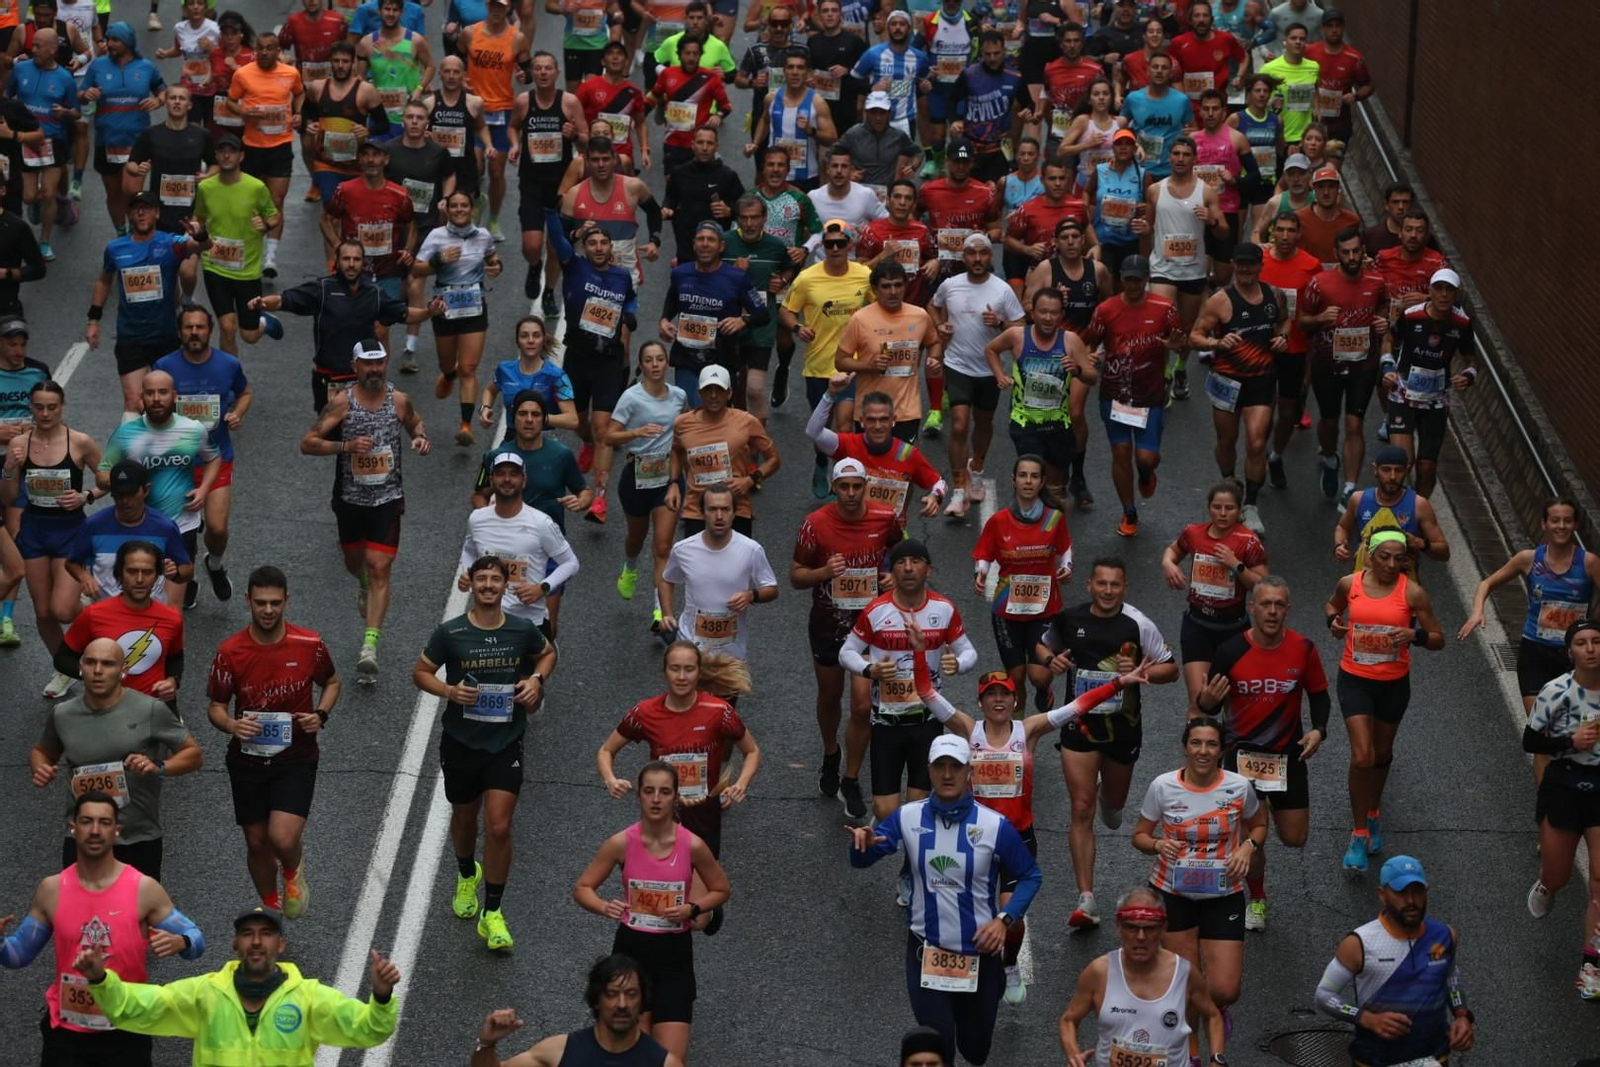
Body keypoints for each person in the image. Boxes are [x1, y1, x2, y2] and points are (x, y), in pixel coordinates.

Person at [915, 639, 1149, 1005]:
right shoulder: (967, 729)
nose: (997, 701)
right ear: (980, 703)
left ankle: (1009, 966)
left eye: (1004, 695)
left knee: (1014, 918)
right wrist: (918, 652)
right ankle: (960, 969)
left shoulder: (1030, 730)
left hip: (1015, 838)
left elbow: (1079, 706)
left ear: (1014, 701)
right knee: (964, 911)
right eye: (990, 695)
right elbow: (926, 690)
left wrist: (1120, 683)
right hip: (970, 839)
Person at [847, 734, 1041, 1066]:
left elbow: (1029, 876)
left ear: (970, 772)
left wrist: (1003, 920)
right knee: (938, 1049)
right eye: (940, 767)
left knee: (976, 1049)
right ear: (929, 771)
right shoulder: (908, 817)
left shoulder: (994, 825)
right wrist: (860, 845)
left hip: (980, 956)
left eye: (955, 767)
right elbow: (863, 860)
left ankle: (992, 990)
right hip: (927, 952)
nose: (947, 774)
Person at [0, 791, 206, 1067]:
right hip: (66, 1035)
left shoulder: (143, 889)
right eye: (86, 821)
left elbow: (197, 939)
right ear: (72, 828)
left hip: (127, 1029)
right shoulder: (51, 890)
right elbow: (18, 955)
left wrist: (182, 942)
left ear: (117, 831)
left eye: (104, 822)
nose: (95, 830)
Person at [416, 554, 557, 951]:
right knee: (464, 818)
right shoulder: (451, 632)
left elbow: (548, 653)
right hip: (461, 741)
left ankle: (492, 913)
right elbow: (420, 672)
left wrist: (535, 679)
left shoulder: (521, 630)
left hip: (505, 741)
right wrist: (449, 691)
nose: (490, 586)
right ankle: (466, 873)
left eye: (496, 579)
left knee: (498, 826)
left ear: (505, 585)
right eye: (482, 580)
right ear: (473, 586)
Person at [1037, 556, 1178, 928]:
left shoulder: (1137, 623)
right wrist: (1052, 661)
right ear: (1089, 585)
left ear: (1125, 587)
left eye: (1115, 585)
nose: (1108, 591)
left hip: (1122, 728)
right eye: (1102, 584)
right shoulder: (1071, 619)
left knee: (1112, 808)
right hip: (1078, 726)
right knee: (1080, 807)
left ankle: (1109, 798)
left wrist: (1144, 672)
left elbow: (1171, 668)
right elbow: (1041, 647)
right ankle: (1086, 899)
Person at [72, 906, 402, 1060]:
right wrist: (101, 979)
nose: (256, 942)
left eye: (266, 934)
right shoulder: (205, 994)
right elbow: (136, 1007)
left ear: (281, 945)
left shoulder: (310, 998)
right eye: (247, 934)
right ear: (235, 944)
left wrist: (382, 996)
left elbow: (369, 1029)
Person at [1193, 575, 1329, 932]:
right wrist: (1206, 700)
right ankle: (1256, 898)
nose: (1271, 611)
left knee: (1294, 838)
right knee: (1250, 835)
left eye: (1278, 605)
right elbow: (1207, 704)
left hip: (1287, 757)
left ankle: (1261, 829)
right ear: (1251, 608)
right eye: (1264, 604)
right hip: (1241, 760)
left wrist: (1319, 729)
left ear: (1288, 609)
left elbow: (1319, 693)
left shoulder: (1303, 649)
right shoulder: (1230, 651)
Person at [574, 761, 731, 1065]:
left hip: (675, 963)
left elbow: (722, 889)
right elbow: (582, 888)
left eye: (664, 792)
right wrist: (604, 906)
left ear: (676, 798)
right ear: (640, 797)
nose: (656, 799)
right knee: (634, 1055)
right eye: (649, 791)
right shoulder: (621, 843)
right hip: (631, 957)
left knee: (672, 1060)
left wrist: (693, 908)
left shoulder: (693, 846)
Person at [206, 565, 339, 916]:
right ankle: (269, 907)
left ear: (286, 602)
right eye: (261, 603)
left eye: (275, 603)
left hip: (295, 757)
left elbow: (333, 682)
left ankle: (293, 871)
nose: (268, 610)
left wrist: (320, 715)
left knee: (281, 838)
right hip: (247, 761)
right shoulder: (230, 651)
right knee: (257, 842)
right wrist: (232, 726)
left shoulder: (309, 644)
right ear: (248, 600)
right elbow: (216, 707)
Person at [299, 338, 431, 680]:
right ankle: (362, 581)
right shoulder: (342, 404)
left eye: (379, 363)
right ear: (355, 366)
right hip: (350, 500)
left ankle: (369, 645)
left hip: (388, 499)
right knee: (356, 562)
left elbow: (416, 422)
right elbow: (308, 443)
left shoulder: (398, 400)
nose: (374, 370)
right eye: (367, 364)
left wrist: (418, 436)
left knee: (380, 566)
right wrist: (346, 446)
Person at [1131, 716, 1267, 1043]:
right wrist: (1158, 844)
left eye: (1211, 744)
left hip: (1224, 894)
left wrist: (1248, 847)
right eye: (1196, 743)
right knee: (1186, 986)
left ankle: (1216, 1009)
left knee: (1225, 989)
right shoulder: (1163, 786)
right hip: (1172, 894)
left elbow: (1259, 825)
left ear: (1222, 750)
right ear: (1185, 747)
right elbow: (1139, 835)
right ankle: (1191, 1056)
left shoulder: (1238, 787)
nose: (1202, 751)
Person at [596, 643, 760, 902]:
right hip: (661, 817)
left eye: (688, 669)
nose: (682, 677)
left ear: (698, 673)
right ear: (664, 673)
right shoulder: (646, 712)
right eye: (675, 669)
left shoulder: (719, 711)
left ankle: (706, 911)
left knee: (696, 914)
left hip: (704, 817)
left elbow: (751, 751)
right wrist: (610, 779)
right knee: (664, 897)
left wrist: (741, 783)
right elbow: (607, 750)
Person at [1323, 527, 1443, 872]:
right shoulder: (1351, 585)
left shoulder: (1414, 593)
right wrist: (1332, 619)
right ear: (1370, 556)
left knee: (1382, 754)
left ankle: (1373, 812)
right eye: (1384, 556)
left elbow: (1438, 638)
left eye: (1398, 558)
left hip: (1392, 684)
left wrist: (1414, 634)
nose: (1391, 564)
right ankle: (1358, 833)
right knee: (1363, 756)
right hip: (1355, 679)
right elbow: (1332, 604)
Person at [33, 637, 203, 878]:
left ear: (123, 671)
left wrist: (159, 766)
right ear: (81, 668)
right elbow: (42, 751)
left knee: (136, 914)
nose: (98, 670)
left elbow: (194, 754)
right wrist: (40, 768)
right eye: (90, 663)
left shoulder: (150, 710)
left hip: (137, 836)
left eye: (108, 664)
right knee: (79, 913)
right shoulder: (63, 714)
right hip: (81, 838)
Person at [792, 457, 906, 815]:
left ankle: (851, 779)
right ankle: (831, 752)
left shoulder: (885, 518)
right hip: (828, 624)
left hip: (870, 627)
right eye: (845, 487)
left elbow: (898, 555)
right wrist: (824, 571)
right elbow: (796, 576)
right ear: (835, 487)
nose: (852, 494)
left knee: (861, 705)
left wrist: (891, 577)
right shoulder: (815, 525)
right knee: (830, 696)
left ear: (866, 487)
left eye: (858, 486)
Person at [840, 538, 978, 827]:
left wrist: (958, 664)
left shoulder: (944, 610)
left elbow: (969, 652)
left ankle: (915, 864)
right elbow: (846, 652)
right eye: (901, 563)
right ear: (894, 571)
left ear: (928, 569)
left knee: (918, 809)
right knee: (884, 811)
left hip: (926, 720)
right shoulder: (877, 610)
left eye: (915, 562)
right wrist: (870, 669)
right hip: (887, 722)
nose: (908, 568)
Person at [1461, 496, 1598, 785]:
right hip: (1535, 654)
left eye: (1567, 521)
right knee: (1544, 732)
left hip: (1574, 660)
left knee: (1574, 729)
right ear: (1544, 524)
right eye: (1555, 520)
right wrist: (1477, 611)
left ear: (1575, 525)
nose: (1561, 526)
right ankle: (1546, 806)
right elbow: (1487, 583)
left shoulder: (1588, 563)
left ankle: (1577, 793)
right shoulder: (1528, 559)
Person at [1314, 855, 1476, 1062]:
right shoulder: (1359, 943)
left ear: (1425, 893)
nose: (1410, 900)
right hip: (1375, 1059)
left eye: (1417, 891)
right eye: (1401, 892)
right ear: (1382, 895)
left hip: (1435, 1057)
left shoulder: (1445, 936)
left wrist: (1462, 1016)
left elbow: (1450, 978)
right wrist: (1366, 1018)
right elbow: (1324, 994)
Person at [251, 241, 444, 413]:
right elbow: (285, 300)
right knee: (335, 437)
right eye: (346, 259)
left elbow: (404, 314)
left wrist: (428, 312)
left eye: (356, 259)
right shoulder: (323, 288)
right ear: (337, 261)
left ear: (364, 263)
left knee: (363, 438)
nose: (351, 264)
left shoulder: (374, 293)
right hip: (329, 377)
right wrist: (263, 303)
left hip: (363, 378)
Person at [1056, 886, 1229, 1067]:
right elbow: (1069, 1020)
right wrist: (1074, 1055)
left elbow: (1212, 1016)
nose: (1140, 937)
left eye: (1150, 929)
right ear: (1118, 928)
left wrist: (1217, 1059)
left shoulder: (1184, 974)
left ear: (1163, 929)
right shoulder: (1099, 972)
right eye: (1131, 927)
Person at [96, 370, 221, 612]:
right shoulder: (126, 434)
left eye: (162, 392)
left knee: (171, 609)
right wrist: (124, 483)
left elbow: (214, 458)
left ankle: (165, 647)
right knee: (136, 597)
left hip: (181, 523)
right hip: (138, 524)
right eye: (150, 393)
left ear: (174, 396)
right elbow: (102, 474)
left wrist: (204, 490)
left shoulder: (193, 430)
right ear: (141, 397)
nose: (156, 398)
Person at [150, 307, 249, 610]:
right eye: (189, 327)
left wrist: (236, 413)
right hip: (175, 465)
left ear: (209, 331)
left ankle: (215, 563)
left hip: (216, 458)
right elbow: (152, 402)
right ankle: (187, 577)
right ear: (180, 332)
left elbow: (245, 392)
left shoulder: (229, 364)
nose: (195, 333)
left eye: (201, 327)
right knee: (180, 533)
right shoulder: (164, 366)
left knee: (217, 528)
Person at [1, 380, 101, 676]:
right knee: (43, 613)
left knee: (64, 610)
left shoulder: (80, 442)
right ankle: (67, 669)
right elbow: (7, 499)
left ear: (62, 406)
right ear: (31, 407)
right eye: (39, 407)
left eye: (52, 407)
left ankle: (97, 615)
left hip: (70, 530)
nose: (45, 414)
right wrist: (8, 467)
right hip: (34, 532)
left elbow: (107, 478)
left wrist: (87, 496)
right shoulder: (21, 445)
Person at [1079, 254, 1183, 537]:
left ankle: (1147, 474)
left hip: (1150, 395)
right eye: (1128, 279)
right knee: (1121, 452)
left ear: (1146, 279)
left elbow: (1179, 340)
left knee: (1146, 458)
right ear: (1120, 279)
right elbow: (1088, 342)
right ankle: (1129, 511)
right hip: (1115, 394)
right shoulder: (1106, 310)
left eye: (1139, 279)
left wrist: (1175, 345)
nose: (1134, 284)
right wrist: (1090, 358)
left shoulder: (1165, 308)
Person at [1188, 242, 1288, 533]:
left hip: (1262, 379)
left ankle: (1251, 505)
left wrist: (1282, 338)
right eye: (1240, 263)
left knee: (1256, 442)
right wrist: (1216, 343)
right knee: (1226, 441)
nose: (1245, 269)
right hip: (1227, 382)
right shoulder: (1221, 300)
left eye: (1250, 264)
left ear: (1260, 266)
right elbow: (1195, 336)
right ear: (1233, 265)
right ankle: (1231, 480)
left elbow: (1285, 323)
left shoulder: (1274, 296)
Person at [84, 194, 211, 417]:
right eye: (136, 209)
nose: (141, 213)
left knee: (170, 401)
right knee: (134, 402)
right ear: (130, 215)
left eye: (146, 208)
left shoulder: (171, 243)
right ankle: (132, 452)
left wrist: (200, 234)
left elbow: (202, 246)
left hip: (166, 336)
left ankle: (170, 449)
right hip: (131, 337)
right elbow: (104, 280)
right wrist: (93, 320)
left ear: (157, 213)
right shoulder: (115, 248)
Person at [1525, 621, 1600, 997]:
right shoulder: (1556, 691)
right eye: (1582, 643)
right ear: (1571, 652)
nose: (1591, 649)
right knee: (1559, 875)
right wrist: (1571, 740)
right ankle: (1546, 884)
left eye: (1597, 641)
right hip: (1564, 785)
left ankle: (1592, 964)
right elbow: (1530, 740)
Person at [930, 232, 1024, 517]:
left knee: (983, 422)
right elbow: (932, 306)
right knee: (959, 425)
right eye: (972, 253)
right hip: (957, 365)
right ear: (964, 257)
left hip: (988, 369)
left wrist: (1000, 323)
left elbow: (1020, 325)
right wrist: (939, 326)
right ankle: (958, 489)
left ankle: (977, 468)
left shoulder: (1002, 290)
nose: (977, 259)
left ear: (990, 256)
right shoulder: (950, 285)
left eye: (983, 253)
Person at [1160, 480, 1269, 718]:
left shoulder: (1248, 541)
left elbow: (1264, 587)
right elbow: (1173, 551)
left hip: (1234, 630)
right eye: (1217, 507)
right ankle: (1196, 755)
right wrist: (1168, 563)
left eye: (1229, 508)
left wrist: (1236, 565)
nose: (1222, 513)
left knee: (1234, 707)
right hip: (1197, 626)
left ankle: (1228, 754)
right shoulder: (1194, 533)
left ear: (1239, 510)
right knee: (1199, 705)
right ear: (1208, 507)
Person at [972, 455, 1073, 706]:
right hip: (1008, 612)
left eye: (1034, 476)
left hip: (1045, 610)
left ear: (1041, 482)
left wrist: (1067, 567)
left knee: (1038, 676)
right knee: (1015, 678)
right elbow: (983, 553)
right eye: (1023, 475)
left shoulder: (1054, 519)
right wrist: (981, 572)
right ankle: (1018, 733)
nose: (1028, 481)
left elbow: (1065, 549)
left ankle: (1043, 690)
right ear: (1014, 481)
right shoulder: (999, 521)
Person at [988, 284, 1098, 509]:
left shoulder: (1070, 341)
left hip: (1058, 423)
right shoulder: (1017, 336)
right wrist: (1000, 375)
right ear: (1032, 313)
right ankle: (1027, 527)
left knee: (1056, 486)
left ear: (1061, 315)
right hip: (1025, 421)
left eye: (1054, 312)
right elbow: (991, 349)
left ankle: (1055, 534)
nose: (1048, 317)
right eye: (1043, 312)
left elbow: (1091, 376)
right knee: (1031, 479)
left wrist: (1077, 369)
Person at [1299, 226, 1387, 503]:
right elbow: (1303, 320)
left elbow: (1384, 307)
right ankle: (1328, 457)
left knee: (1354, 424)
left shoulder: (1376, 281)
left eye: (1356, 251)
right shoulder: (1320, 283)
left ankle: (1350, 488)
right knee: (1329, 421)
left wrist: (1383, 321)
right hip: (1328, 364)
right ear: (1336, 254)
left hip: (1364, 365)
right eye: (1346, 252)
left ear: (1363, 252)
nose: (1352, 257)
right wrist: (1320, 318)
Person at [780, 219, 871, 488]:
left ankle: (840, 479)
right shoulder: (807, 278)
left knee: (844, 427)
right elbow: (786, 309)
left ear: (848, 246)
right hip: (818, 365)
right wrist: (797, 327)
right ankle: (822, 460)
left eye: (840, 243)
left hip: (852, 366)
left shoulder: (864, 275)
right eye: (829, 244)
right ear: (823, 246)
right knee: (821, 429)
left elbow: (882, 306)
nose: (834, 249)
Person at [471, 955, 681, 1067]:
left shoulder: (664, 1064)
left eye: (632, 993)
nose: (622, 1004)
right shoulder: (558, 1052)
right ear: (596, 1000)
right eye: (612, 994)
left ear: (642, 1000)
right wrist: (487, 1043)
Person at [1140, 136, 1226, 402]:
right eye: (1175, 154)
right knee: (1162, 324)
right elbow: (1149, 226)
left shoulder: (1206, 192)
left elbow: (1224, 232)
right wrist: (1144, 236)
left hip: (1193, 269)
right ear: (1169, 157)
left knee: (1186, 328)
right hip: (1162, 268)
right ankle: (1163, 373)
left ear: (1194, 158)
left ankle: (1180, 368)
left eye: (1185, 154)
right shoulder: (1155, 190)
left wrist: (1212, 220)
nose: (1179, 158)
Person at [415, 188, 502, 445]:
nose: (460, 210)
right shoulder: (437, 236)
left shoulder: (483, 235)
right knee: (448, 364)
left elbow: (493, 257)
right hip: (445, 307)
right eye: (455, 206)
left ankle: (466, 425)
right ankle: (448, 374)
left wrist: (497, 266)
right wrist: (439, 260)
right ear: (447, 209)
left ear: (472, 208)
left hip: (474, 307)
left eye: (465, 205)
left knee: (469, 367)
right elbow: (416, 269)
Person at [459, 451, 580, 635]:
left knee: (541, 661)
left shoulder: (541, 523)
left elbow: (571, 563)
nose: (507, 479)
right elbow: (469, 550)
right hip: (488, 621)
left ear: (524, 481)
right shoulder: (477, 519)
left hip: (529, 623)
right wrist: (467, 573)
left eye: (514, 474)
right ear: (491, 480)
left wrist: (543, 588)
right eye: (501, 474)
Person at [1381, 267, 1476, 499]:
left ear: (1457, 293)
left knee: (1427, 467)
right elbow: (1389, 337)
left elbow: (1471, 361)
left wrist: (1469, 376)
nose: (1443, 294)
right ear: (1430, 291)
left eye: (1449, 290)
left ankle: (1418, 512)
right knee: (1403, 461)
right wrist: (1388, 367)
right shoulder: (1412, 315)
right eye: (1439, 288)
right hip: (1403, 394)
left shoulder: (1462, 323)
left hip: (1436, 401)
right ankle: (1396, 511)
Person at [656, 481, 780, 659]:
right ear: (702, 512)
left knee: (727, 688)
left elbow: (772, 589)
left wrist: (751, 595)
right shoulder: (683, 549)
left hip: (731, 651)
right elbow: (667, 580)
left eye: (725, 509)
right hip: (690, 645)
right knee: (687, 686)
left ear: (734, 512)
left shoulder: (751, 550)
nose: (719, 516)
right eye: (713, 509)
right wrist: (667, 614)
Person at [55, 540, 186, 703]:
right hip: (105, 708)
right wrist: (90, 674)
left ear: (157, 577)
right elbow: (62, 659)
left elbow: (175, 658)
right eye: (132, 571)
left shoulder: (172, 618)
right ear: (119, 575)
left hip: (155, 709)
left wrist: (173, 681)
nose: (139, 579)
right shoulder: (94, 615)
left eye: (147, 572)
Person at [607, 342, 687, 606]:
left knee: (663, 547)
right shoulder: (631, 398)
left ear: (667, 363)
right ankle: (630, 568)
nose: (655, 365)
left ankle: (659, 610)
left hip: (668, 478)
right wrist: (635, 433)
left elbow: (686, 430)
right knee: (637, 538)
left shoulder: (679, 396)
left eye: (660, 359)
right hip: (636, 477)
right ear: (641, 365)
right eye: (649, 360)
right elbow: (608, 436)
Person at [222, 27, 305, 274]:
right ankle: (252, 249)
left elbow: (300, 94)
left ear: (278, 51)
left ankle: (270, 256)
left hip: (280, 145)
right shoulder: (243, 74)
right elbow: (230, 101)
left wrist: (299, 113)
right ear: (255, 50)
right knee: (252, 202)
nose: (265, 53)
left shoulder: (290, 73)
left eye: (270, 48)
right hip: (253, 146)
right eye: (260, 48)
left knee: (276, 201)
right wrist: (243, 112)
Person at [322, 139, 417, 356]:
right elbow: (326, 220)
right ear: (359, 159)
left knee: (380, 329)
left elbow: (411, 223)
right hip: (353, 272)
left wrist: (408, 249)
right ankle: (353, 376)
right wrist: (339, 247)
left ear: (386, 159)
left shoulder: (400, 195)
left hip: (387, 272)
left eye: (376, 154)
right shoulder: (345, 190)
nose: (371, 160)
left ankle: (380, 381)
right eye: (365, 155)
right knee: (352, 326)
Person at [192, 133, 283, 356]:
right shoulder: (206, 188)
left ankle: (262, 322)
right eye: (222, 151)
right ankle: (231, 381)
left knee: (248, 336)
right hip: (215, 267)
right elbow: (199, 218)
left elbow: (274, 216)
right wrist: (196, 229)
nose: (226, 154)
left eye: (231, 151)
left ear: (241, 156)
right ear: (216, 155)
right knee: (226, 326)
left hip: (247, 271)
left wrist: (265, 225)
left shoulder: (256, 187)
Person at [123, 84, 215, 303]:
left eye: (182, 99)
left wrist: (208, 176)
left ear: (189, 105)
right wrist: (139, 169)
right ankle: (173, 312)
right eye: (172, 98)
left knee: (187, 272)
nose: (176, 102)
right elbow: (131, 164)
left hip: (190, 215)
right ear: (166, 103)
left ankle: (188, 299)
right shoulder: (151, 134)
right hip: (159, 215)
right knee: (166, 278)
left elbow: (215, 164)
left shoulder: (201, 135)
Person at [667, 366, 778, 545]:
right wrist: (673, 483)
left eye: (719, 390)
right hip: (696, 509)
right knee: (696, 571)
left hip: (735, 508)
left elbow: (774, 460)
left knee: (737, 570)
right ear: (699, 393)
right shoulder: (683, 423)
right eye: (708, 390)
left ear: (729, 393)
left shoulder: (747, 421)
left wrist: (750, 480)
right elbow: (676, 450)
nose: (713, 396)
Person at [659, 221, 769, 403]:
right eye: (700, 239)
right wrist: (663, 320)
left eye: (710, 240)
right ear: (693, 245)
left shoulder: (737, 278)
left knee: (716, 414)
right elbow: (672, 302)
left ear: (721, 246)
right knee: (696, 410)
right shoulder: (680, 274)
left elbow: (762, 314)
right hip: (687, 358)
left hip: (722, 359)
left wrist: (743, 320)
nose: (704, 244)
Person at [834, 259, 941, 440]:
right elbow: (840, 361)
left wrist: (934, 359)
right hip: (870, 412)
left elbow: (934, 342)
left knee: (902, 466)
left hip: (907, 411)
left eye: (898, 285)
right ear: (875, 290)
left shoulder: (920, 316)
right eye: (886, 286)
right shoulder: (860, 319)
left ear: (905, 287)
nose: (893, 292)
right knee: (872, 468)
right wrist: (869, 366)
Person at [806, 378, 945, 517]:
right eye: (871, 420)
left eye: (883, 419)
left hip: (891, 533)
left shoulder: (906, 453)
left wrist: (935, 498)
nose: (878, 426)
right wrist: (829, 395)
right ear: (862, 421)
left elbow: (939, 483)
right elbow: (814, 432)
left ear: (893, 421)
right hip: (855, 529)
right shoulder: (849, 444)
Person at [64, 460, 191, 611]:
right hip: (106, 613)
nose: (125, 501)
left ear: (146, 490)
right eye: (119, 495)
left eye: (131, 494)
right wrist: (84, 577)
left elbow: (187, 570)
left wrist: (175, 573)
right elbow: (72, 562)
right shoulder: (93, 525)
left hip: (151, 614)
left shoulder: (165, 528)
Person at [386, 100, 459, 364]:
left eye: (420, 118)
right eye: (410, 117)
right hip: (395, 227)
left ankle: (410, 348)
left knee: (416, 282)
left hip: (427, 226)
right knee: (402, 285)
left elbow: (449, 176)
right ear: (403, 121)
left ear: (427, 123)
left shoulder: (438, 152)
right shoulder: (389, 150)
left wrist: (446, 198)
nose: (415, 122)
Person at [80, 22, 165, 235]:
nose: (109, 44)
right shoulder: (98, 66)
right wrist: (86, 95)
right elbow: (80, 94)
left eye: (115, 40)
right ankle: (121, 231)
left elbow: (162, 89)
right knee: (114, 192)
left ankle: (136, 231)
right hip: (107, 140)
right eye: (108, 39)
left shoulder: (146, 67)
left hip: (137, 140)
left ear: (128, 42)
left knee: (132, 191)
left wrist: (159, 101)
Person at [459, 0, 530, 242]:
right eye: (493, 5)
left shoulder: (517, 38)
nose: (497, 10)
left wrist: (524, 74)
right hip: (474, 106)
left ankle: (494, 220)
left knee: (497, 171)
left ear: (508, 9)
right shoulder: (470, 33)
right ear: (488, 6)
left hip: (502, 109)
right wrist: (461, 80)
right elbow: (457, 59)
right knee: (475, 166)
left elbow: (527, 68)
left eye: (502, 6)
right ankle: (477, 199)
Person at [1258, 211, 1318, 487]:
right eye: (1279, 230)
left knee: (1288, 412)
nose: (1284, 236)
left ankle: (1276, 454)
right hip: (1262, 350)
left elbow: (1314, 310)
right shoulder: (1260, 262)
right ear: (1272, 233)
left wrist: (1309, 363)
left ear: (1298, 234)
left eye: (1290, 231)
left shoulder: (1311, 266)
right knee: (1264, 409)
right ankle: (1257, 455)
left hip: (1295, 349)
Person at [7, 27, 79, 261]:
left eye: (38, 46)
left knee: (48, 193)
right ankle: (34, 205)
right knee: (28, 196)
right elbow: (8, 98)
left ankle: (45, 241)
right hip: (27, 140)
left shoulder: (65, 79)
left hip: (53, 141)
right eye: (32, 44)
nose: (32, 49)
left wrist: (66, 112)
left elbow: (77, 112)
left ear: (53, 49)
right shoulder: (21, 69)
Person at [722, 195, 795, 421]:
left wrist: (782, 281)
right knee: (733, 389)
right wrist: (734, 274)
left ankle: (757, 442)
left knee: (754, 389)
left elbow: (790, 268)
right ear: (737, 220)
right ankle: (741, 437)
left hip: (762, 325)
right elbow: (708, 277)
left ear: (764, 219)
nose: (749, 224)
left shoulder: (775, 246)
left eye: (755, 218)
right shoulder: (724, 243)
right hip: (729, 324)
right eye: (744, 218)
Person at [1333, 444, 1449, 576]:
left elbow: (1444, 552)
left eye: (1398, 470)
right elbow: (1342, 527)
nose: (1392, 476)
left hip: (1403, 587)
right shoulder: (1359, 499)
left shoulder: (1419, 505)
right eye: (1386, 470)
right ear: (1375, 469)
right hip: (1364, 585)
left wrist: (1420, 543)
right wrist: (1339, 546)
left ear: (1407, 470)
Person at [479, 317, 581, 430]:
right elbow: (490, 390)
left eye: (536, 335)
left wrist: (539, 418)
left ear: (543, 340)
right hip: (512, 441)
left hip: (543, 441)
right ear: (517, 341)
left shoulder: (557, 376)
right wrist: (485, 408)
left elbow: (572, 420)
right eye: (524, 336)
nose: (530, 340)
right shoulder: (504, 370)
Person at [850, 10, 931, 139]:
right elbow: (852, 81)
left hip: (906, 120)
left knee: (904, 159)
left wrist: (925, 87)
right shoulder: (873, 54)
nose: (897, 28)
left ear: (909, 29)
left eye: (902, 24)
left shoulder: (919, 57)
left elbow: (923, 83)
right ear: (888, 28)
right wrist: (871, 87)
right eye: (893, 24)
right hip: (877, 119)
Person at [1120, 50, 1189, 183]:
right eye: (1155, 67)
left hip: (1172, 170)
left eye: (1164, 68)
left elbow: (1192, 130)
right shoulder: (1133, 99)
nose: (1159, 71)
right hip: (1140, 169)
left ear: (1170, 73)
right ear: (1148, 71)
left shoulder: (1182, 100)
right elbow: (1121, 130)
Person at [1259, 20, 1319, 146]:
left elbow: (1316, 91)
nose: (1298, 42)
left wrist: (1317, 109)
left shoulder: (1313, 67)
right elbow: (1253, 101)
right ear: (1285, 41)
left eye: (1302, 39)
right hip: (1277, 135)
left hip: (1304, 138)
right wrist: (1270, 103)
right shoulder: (1269, 69)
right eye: (1293, 38)